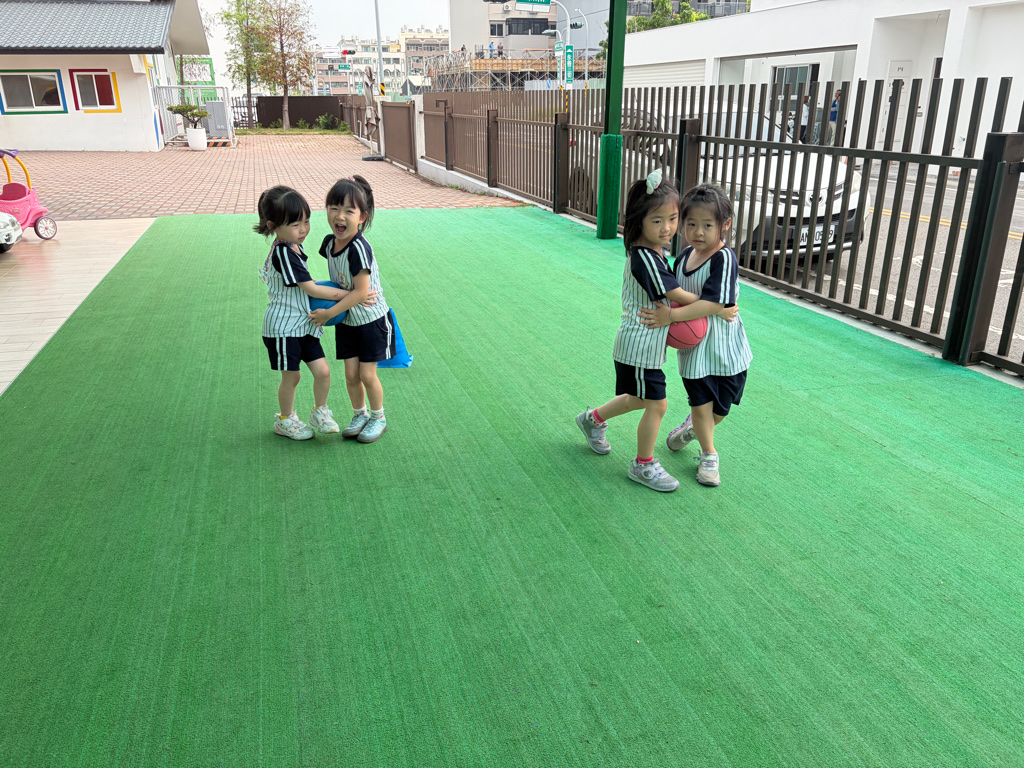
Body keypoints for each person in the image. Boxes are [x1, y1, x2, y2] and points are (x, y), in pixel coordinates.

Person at [575, 170, 738, 493]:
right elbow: (676, 294)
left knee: (637, 399)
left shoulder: (655, 251)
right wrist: (714, 307)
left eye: (674, 219)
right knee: (656, 404)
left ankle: (592, 420)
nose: (668, 228)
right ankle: (643, 464)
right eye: (657, 221)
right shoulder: (645, 257)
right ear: (639, 222)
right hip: (639, 344)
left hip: (646, 343)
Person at [639, 184, 752, 488]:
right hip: (694, 352)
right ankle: (709, 455)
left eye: (707, 225)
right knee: (701, 407)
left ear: (725, 225)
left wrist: (673, 316)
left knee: (720, 411)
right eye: (690, 224)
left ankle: (691, 431)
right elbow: (678, 294)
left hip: (727, 349)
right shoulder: (685, 256)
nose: (697, 232)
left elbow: (714, 303)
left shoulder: (723, 258)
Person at [255, 186, 348, 440]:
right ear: (273, 226)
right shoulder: (284, 252)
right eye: (296, 224)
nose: (304, 229)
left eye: (306, 221)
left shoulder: (293, 246)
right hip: (283, 328)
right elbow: (310, 288)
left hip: (303, 324)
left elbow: (308, 284)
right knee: (292, 376)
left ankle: (320, 411)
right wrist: (348, 295)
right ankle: (285, 420)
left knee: (323, 372)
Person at [309, 176, 393, 444]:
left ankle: (378, 417)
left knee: (367, 374)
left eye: (348, 211)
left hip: (370, 320)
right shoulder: (329, 243)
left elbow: (360, 292)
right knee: (350, 376)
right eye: (334, 208)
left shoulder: (359, 248)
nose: (340, 216)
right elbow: (340, 282)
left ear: (362, 217)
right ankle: (360, 415)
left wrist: (328, 313)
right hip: (347, 321)